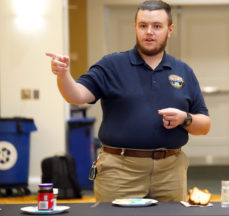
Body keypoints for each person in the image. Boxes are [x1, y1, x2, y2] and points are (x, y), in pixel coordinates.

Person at [46, 0, 210, 202]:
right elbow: (77, 95)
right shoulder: (111, 65)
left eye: (157, 26)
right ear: (135, 27)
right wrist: (63, 75)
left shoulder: (184, 71)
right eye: (143, 25)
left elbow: (204, 125)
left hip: (170, 172)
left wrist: (185, 119)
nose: (149, 31)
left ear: (170, 30)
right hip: (119, 171)